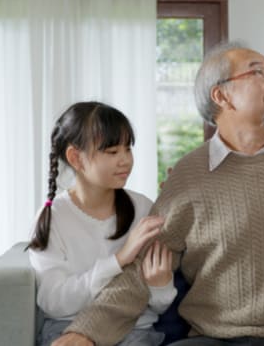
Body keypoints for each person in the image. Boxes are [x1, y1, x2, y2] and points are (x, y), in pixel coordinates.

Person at [52, 43, 264, 346]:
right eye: (259, 73)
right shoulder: (188, 177)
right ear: (221, 95)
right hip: (216, 338)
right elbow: (138, 273)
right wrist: (85, 333)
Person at [27, 101, 175, 346]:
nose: (125, 160)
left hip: (135, 331)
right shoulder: (54, 218)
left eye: (128, 149)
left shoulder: (143, 209)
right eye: (112, 152)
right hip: (68, 329)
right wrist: (118, 260)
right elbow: (53, 301)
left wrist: (161, 286)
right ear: (76, 157)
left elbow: (158, 306)